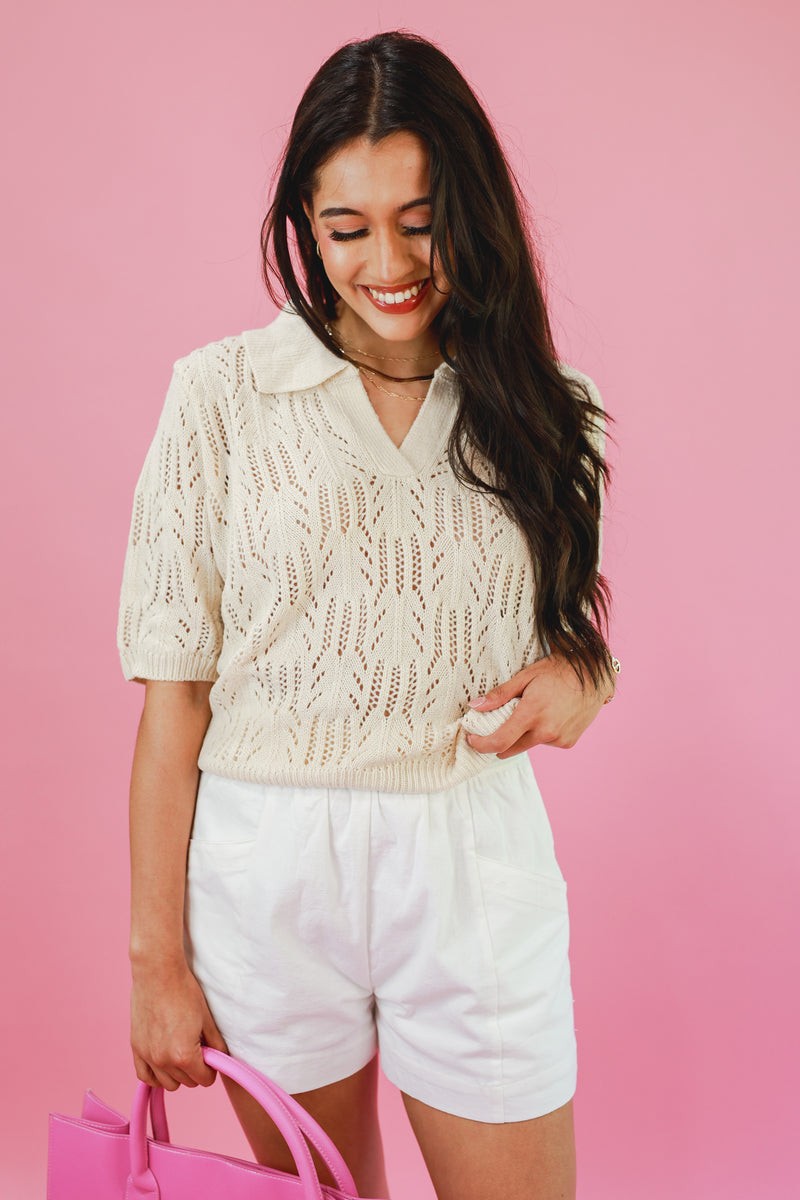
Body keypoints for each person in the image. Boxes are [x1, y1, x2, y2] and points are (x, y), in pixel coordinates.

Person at [117, 29, 618, 1200]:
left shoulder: (550, 412)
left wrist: (583, 686)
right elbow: (173, 699)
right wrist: (155, 962)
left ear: (473, 211)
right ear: (304, 222)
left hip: (468, 862)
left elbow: (574, 652)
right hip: (264, 873)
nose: (386, 260)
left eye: (419, 218)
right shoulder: (219, 399)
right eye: (347, 228)